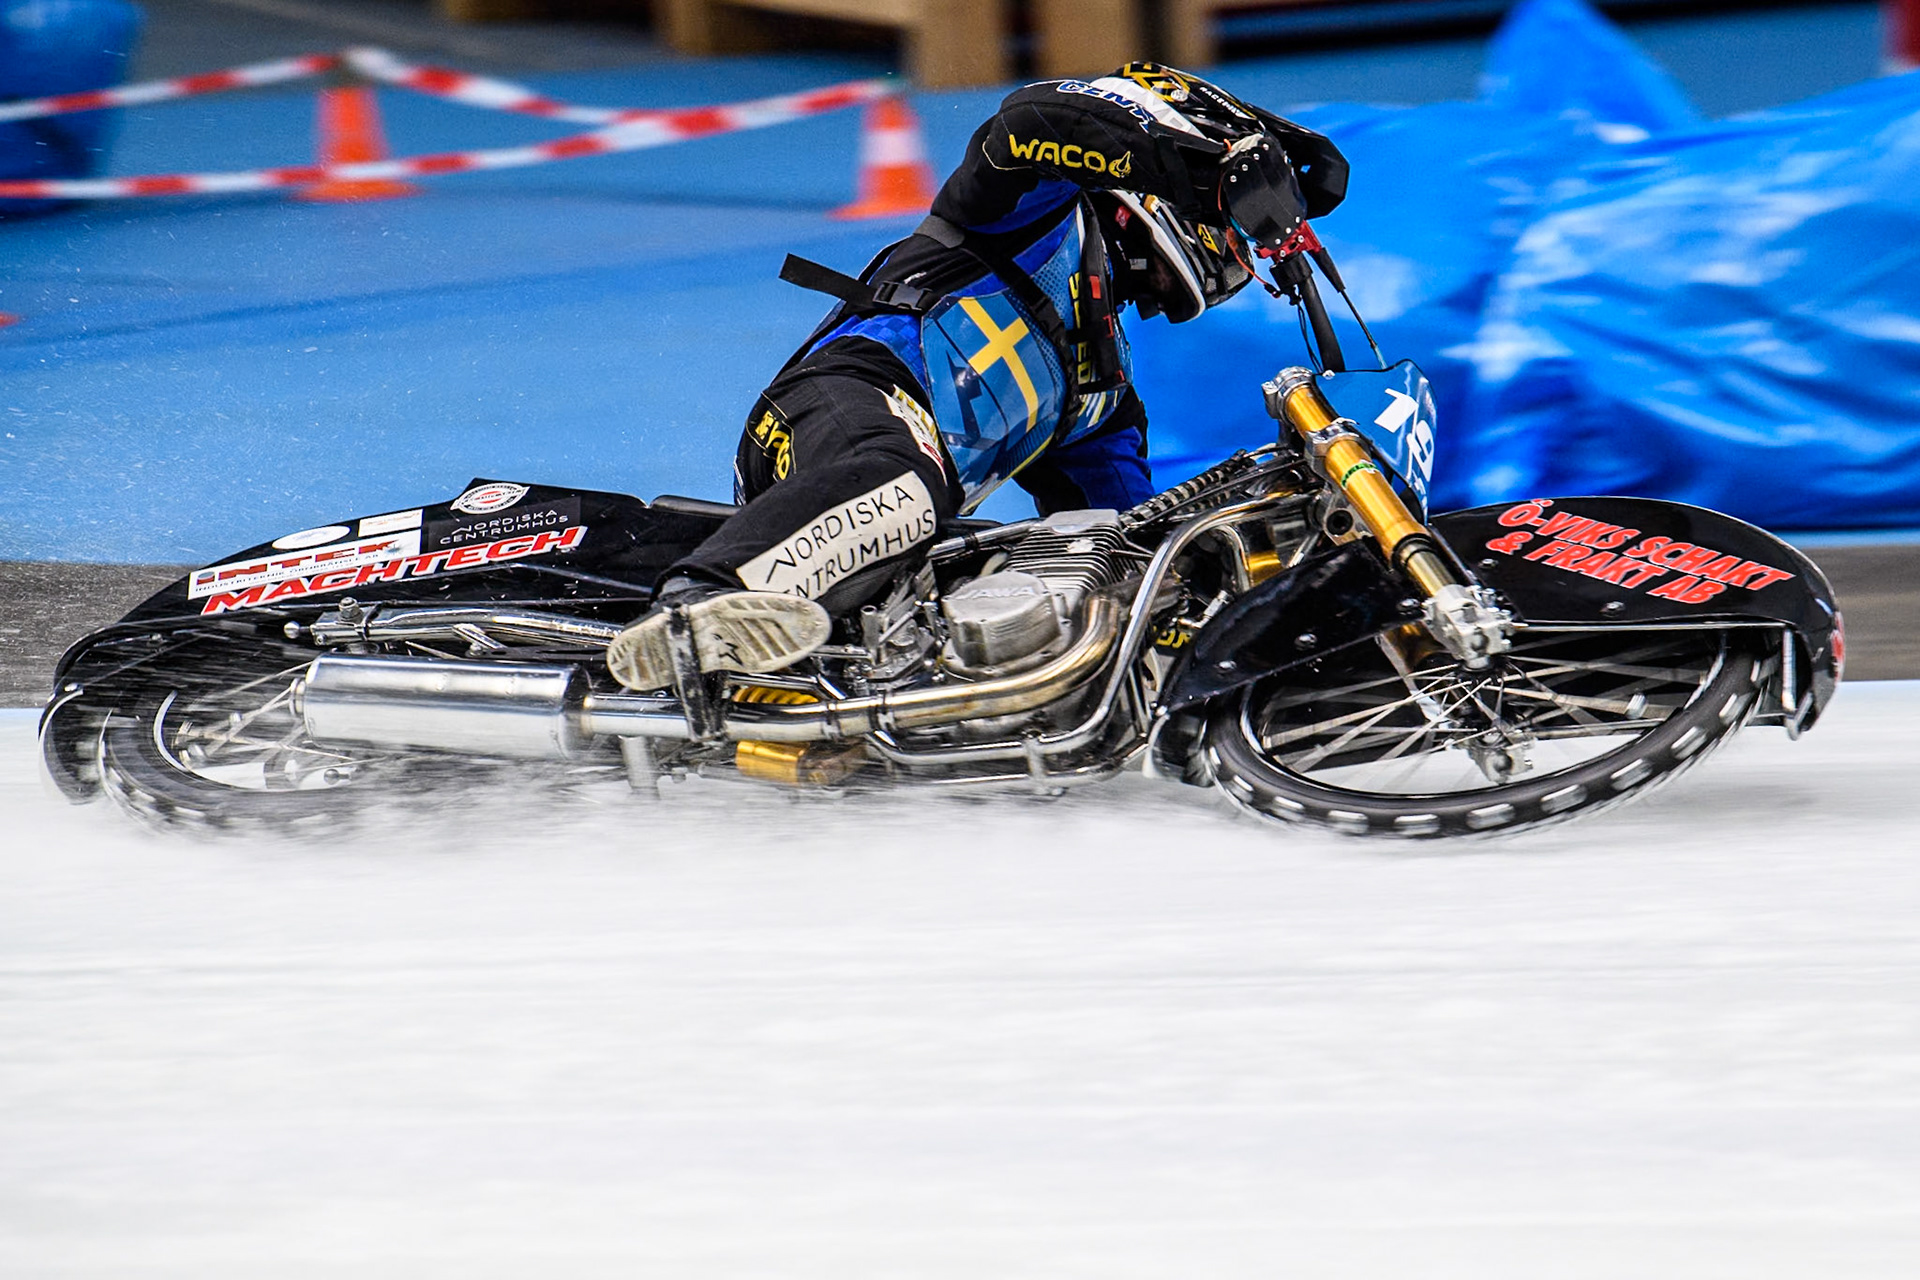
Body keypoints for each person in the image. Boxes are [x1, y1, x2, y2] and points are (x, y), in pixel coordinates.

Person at [606, 61, 1347, 692]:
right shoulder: (1034, 210)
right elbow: (1030, 121)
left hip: (901, 527)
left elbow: (1128, 542)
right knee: (904, 480)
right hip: (839, 404)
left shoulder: (1105, 396)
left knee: (1042, 577)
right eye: (1232, 233)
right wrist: (1203, 168)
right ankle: (693, 606)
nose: (1236, 258)